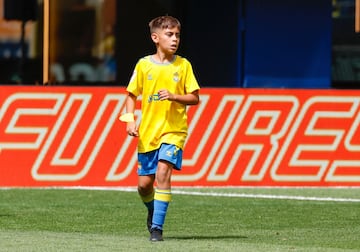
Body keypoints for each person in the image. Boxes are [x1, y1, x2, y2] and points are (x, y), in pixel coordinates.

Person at [123, 15, 200, 242]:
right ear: (155, 38)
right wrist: (129, 120)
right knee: (144, 185)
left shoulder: (183, 65)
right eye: (169, 34)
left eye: (177, 35)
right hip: (148, 133)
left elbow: (194, 98)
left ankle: (157, 228)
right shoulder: (144, 65)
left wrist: (175, 96)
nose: (174, 39)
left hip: (174, 131)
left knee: (163, 172)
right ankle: (152, 208)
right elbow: (131, 95)